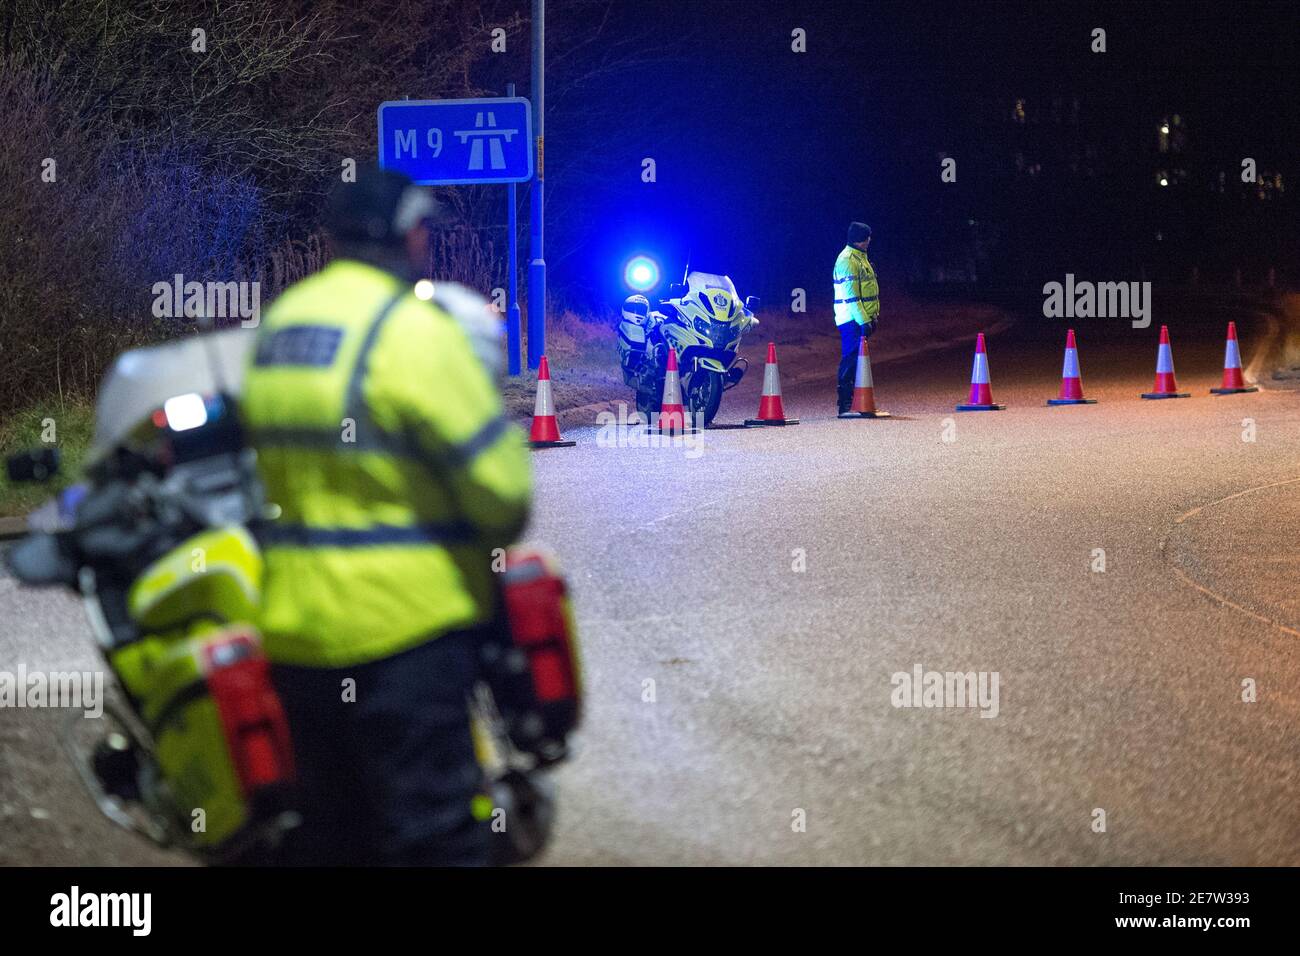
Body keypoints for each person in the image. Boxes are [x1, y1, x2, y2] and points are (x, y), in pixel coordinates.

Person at [239, 165, 532, 865]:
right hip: (406, 639)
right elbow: (503, 495)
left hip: (294, 638)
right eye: (424, 227)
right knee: (433, 838)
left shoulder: (281, 326)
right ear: (407, 235)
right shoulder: (414, 333)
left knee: (333, 839)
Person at [833, 221, 881, 414]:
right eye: (867, 236)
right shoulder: (847, 260)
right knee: (850, 360)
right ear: (861, 239)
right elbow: (852, 296)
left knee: (856, 361)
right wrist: (864, 321)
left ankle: (853, 402)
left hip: (860, 319)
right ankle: (845, 403)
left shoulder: (860, 257)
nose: (870, 240)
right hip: (852, 320)